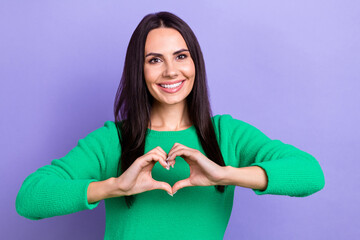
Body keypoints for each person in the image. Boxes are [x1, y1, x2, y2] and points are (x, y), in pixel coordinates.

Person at [15, 11, 325, 240]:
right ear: (139, 70)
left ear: (195, 64)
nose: (171, 71)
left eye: (180, 56)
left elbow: (310, 174)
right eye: (154, 60)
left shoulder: (226, 135)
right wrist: (115, 186)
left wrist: (225, 173)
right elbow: (29, 198)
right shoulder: (112, 141)